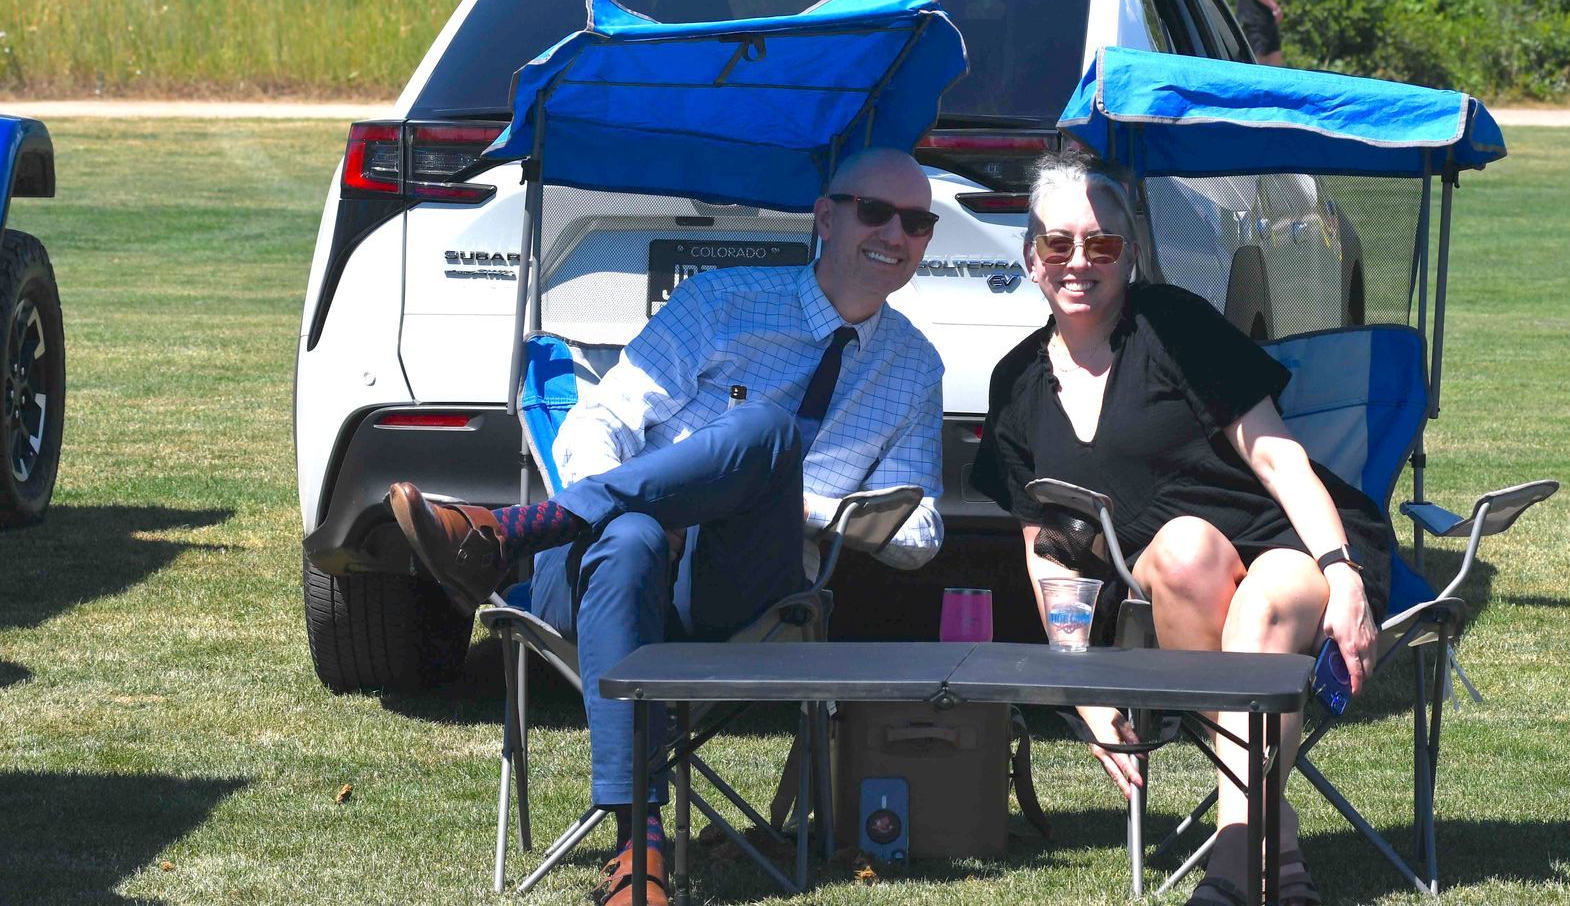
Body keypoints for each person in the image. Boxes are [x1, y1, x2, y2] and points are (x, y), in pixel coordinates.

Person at [386, 147, 945, 906]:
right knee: (633, 537)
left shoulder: (914, 365)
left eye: (917, 222)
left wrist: (802, 507)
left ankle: (509, 533)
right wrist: (641, 505)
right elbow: (599, 421)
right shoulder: (722, 301)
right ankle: (640, 848)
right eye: (875, 211)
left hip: (739, 595)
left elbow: (923, 531)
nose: (896, 235)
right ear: (824, 217)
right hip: (601, 578)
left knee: (765, 437)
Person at [971, 150, 1391, 906]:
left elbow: (1278, 457)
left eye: (1101, 244)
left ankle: (1233, 864)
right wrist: (1082, 687)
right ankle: (1274, 836)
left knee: (1247, 592)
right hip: (1177, 582)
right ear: (1031, 258)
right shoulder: (1017, 385)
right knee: (1184, 549)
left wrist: (1343, 572)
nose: (1078, 262)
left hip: (1292, 545)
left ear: (1130, 255)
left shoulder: (1173, 327)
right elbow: (1047, 555)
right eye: (1058, 244)